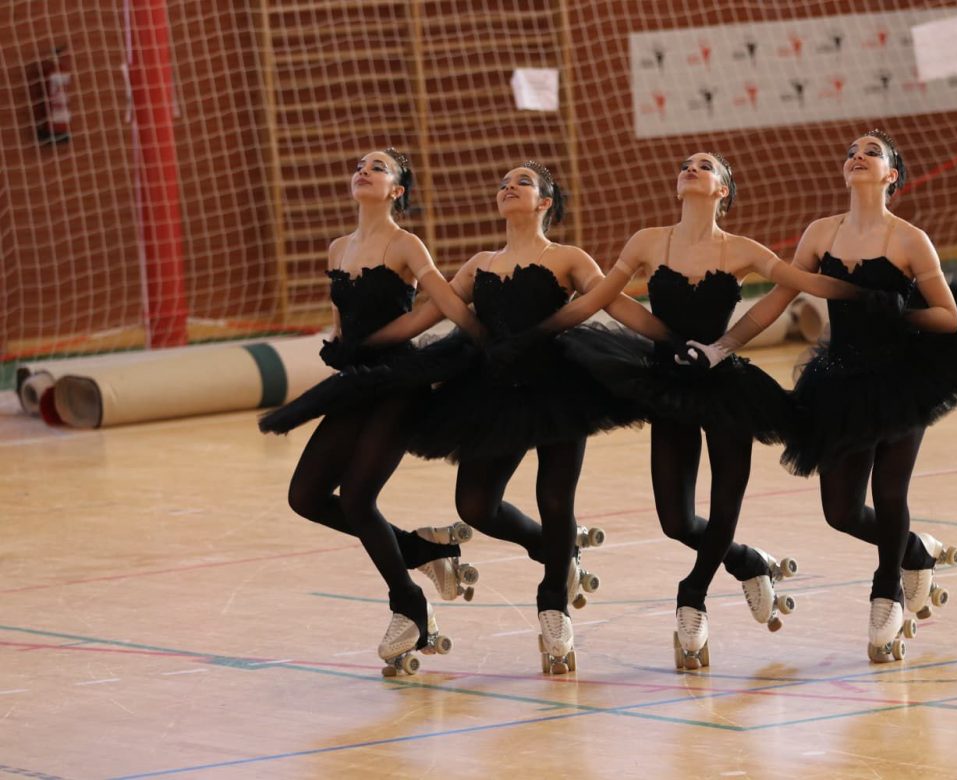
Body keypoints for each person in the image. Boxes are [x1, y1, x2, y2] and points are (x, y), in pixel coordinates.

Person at [690, 131, 957, 662]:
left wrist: (895, 315)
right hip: (840, 380)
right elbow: (780, 296)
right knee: (840, 511)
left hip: (904, 374)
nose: (858, 157)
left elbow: (949, 316)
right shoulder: (821, 234)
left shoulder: (910, 239)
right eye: (851, 153)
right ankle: (915, 551)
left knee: (891, 493)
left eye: (872, 153)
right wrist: (723, 345)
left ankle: (885, 593)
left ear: (891, 175)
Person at [536, 152, 861, 669]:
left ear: (723, 191)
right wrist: (547, 332)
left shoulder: (742, 249)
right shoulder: (647, 240)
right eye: (686, 164)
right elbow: (605, 298)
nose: (691, 168)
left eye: (705, 166)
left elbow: (795, 285)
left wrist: (865, 294)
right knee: (675, 518)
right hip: (668, 379)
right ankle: (750, 563)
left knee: (726, 499)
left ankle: (693, 597)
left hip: (725, 381)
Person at [382, 161, 646, 674]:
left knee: (555, 497)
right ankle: (556, 550)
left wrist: (664, 340)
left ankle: (553, 608)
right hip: (493, 389)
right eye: (503, 183)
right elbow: (429, 309)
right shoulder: (480, 262)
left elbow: (613, 302)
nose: (508, 188)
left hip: (560, 385)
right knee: (476, 505)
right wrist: (372, 344)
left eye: (522, 182)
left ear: (545, 202)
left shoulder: (568, 257)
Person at [258, 148, 487, 676]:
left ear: (397, 191)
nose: (364, 170)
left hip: (399, 383)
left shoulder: (406, 245)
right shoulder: (339, 248)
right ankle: (423, 550)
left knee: (360, 498)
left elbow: (444, 303)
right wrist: (340, 346)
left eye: (378, 168)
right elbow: (342, 322)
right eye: (359, 165)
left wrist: (480, 342)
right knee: (306, 496)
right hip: (356, 383)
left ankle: (409, 605)